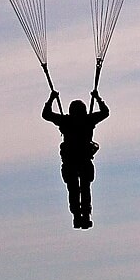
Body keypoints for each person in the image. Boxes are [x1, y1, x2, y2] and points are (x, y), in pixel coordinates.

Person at [43, 89, 108, 228]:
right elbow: (105, 112)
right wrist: (97, 98)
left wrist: (51, 99)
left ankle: (78, 216)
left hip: (71, 162)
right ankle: (84, 215)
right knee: (84, 188)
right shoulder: (87, 120)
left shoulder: (66, 121)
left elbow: (46, 114)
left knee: (74, 189)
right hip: (82, 160)